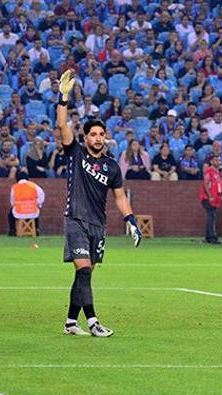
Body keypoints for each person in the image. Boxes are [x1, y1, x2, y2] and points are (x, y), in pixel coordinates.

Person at [56, 69, 141, 338]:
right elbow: (61, 126)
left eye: (100, 134)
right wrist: (63, 97)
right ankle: (93, 323)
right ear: (85, 137)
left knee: (85, 274)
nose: (97, 138)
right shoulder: (75, 152)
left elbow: (119, 197)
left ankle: (71, 322)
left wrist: (131, 220)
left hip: (98, 225)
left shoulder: (112, 166)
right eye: (93, 134)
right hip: (76, 220)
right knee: (83, 270)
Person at [8, 170, 45, 236]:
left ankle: (12, 230)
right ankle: (36, 229)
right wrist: (38, 204)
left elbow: (12, 201)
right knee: (36, 213)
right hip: (32, 210)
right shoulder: (34, 186)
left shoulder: (15, 187)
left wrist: (15, 206)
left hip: (19, 212)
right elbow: (42, 195)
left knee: (10, 215)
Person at [199, 155, 222, 244]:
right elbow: (205, 184)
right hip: (207, 198)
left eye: (219, 160)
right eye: (215, 160)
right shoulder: (209, 171)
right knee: (211, 216)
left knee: (211, 217)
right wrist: (210, 196)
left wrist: (220, 196)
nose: (217, 162)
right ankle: (211, 237)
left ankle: (208, 237)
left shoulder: (217, 172)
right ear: (212, 162)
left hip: (214, 199)